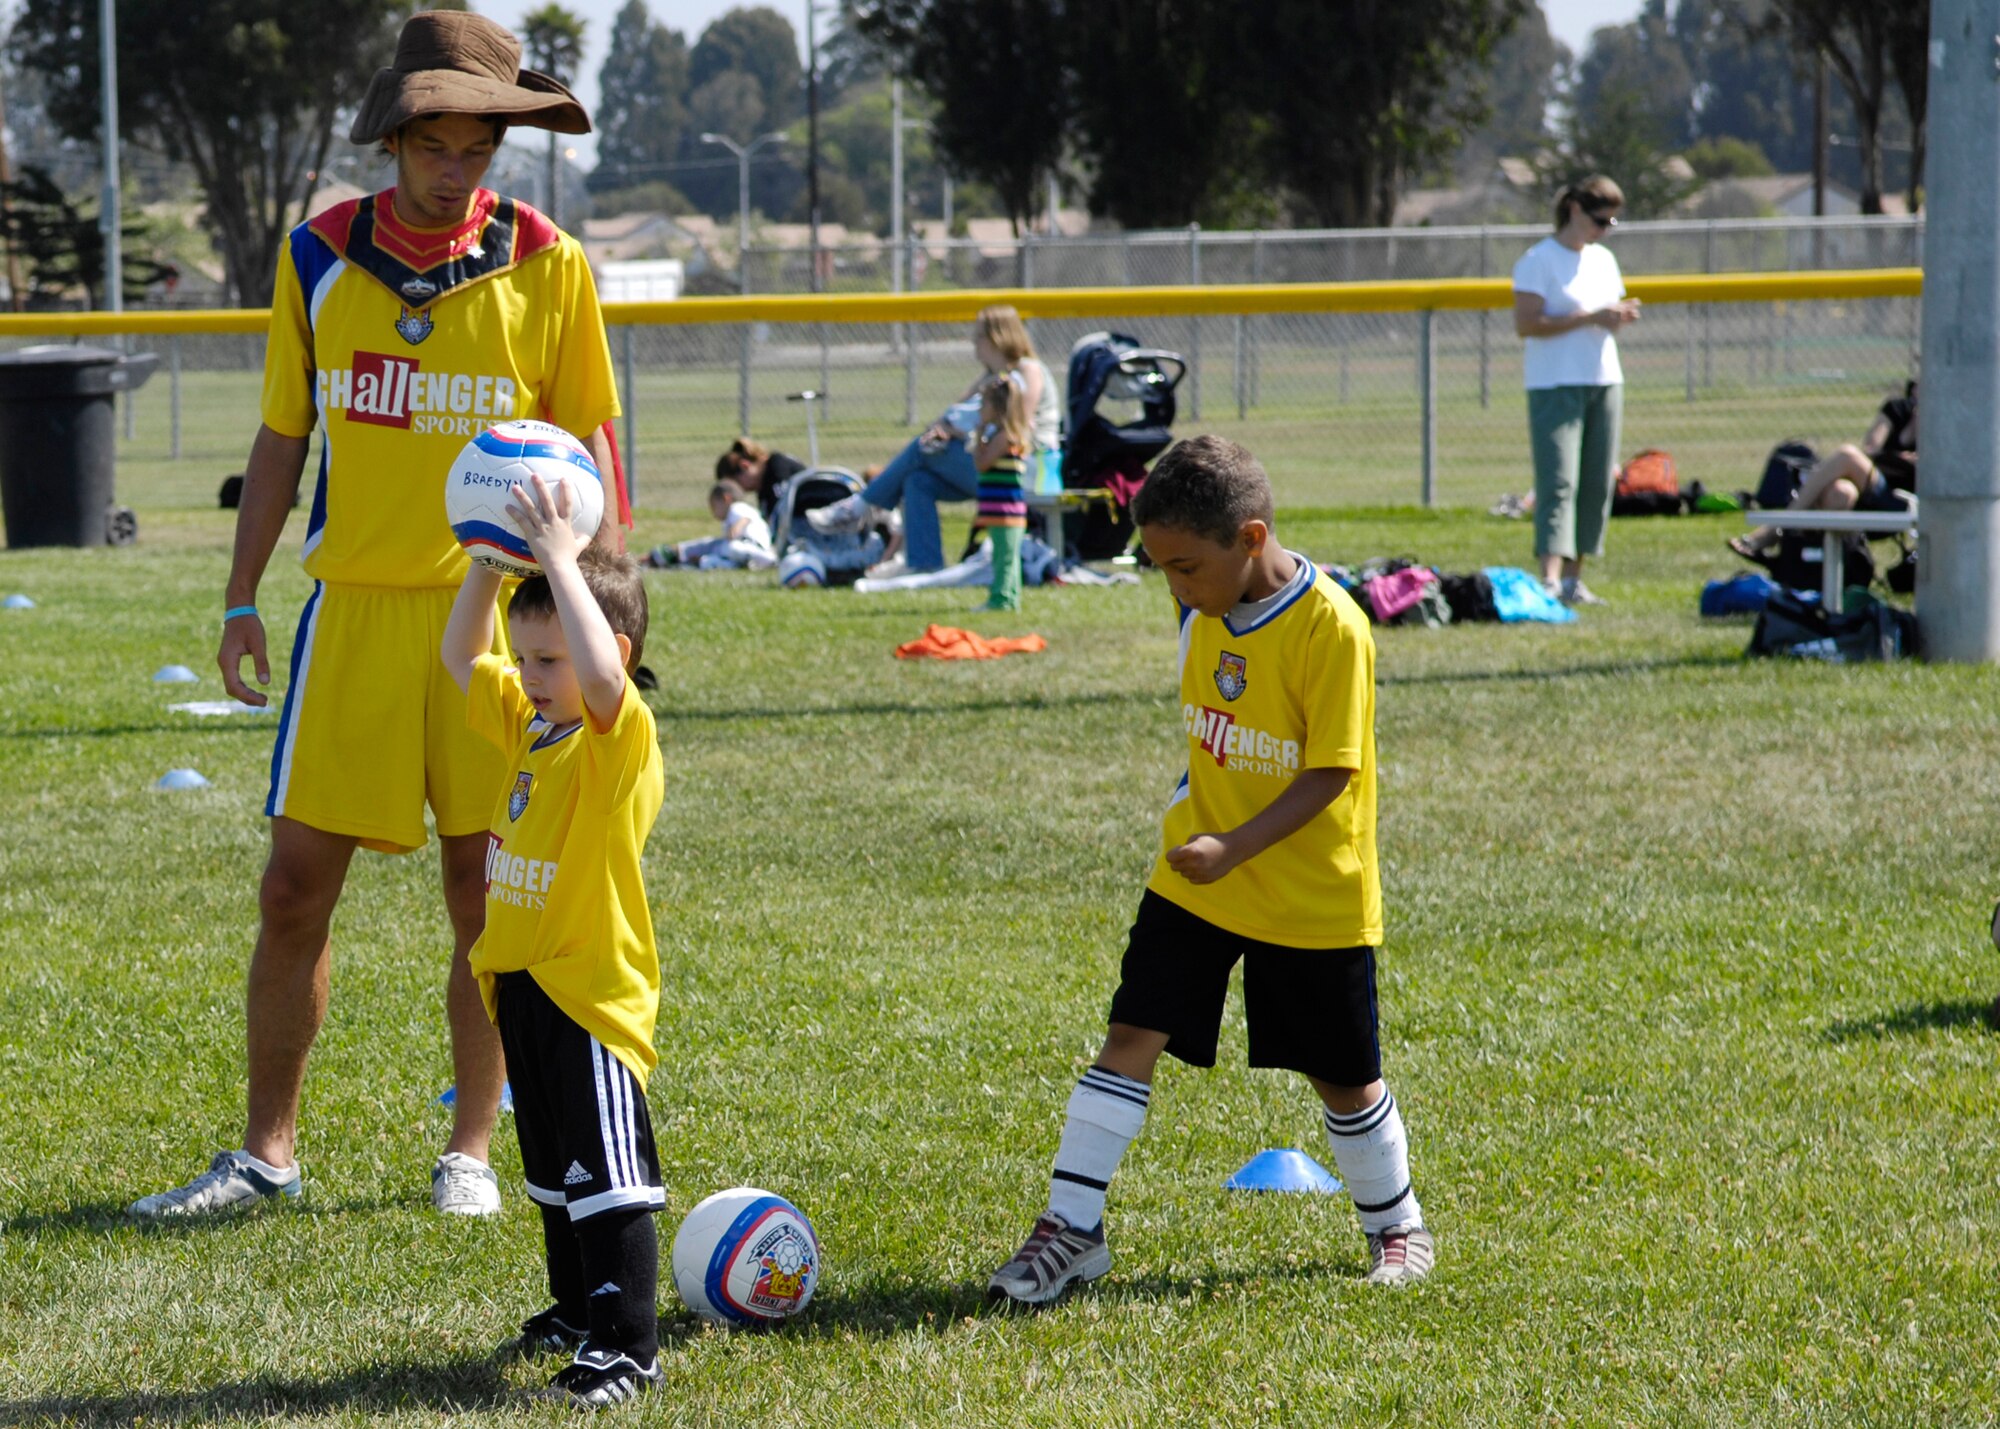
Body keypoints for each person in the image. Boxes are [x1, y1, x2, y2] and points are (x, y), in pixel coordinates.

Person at [130, 11, 623, 1220]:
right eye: (436, 148)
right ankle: (265, 1155)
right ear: (396, 137)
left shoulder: (547, 262)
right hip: (348, 616)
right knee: (294, 886)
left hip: (493, 631)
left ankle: (468, 1150)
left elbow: (592, 450)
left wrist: (603, 618)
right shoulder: (316, 255)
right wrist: (241, 597)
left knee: (484, 891)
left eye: (478, 152)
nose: (456, 172)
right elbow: (282, 435)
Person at [986, 434, 1434, 1306]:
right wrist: (1210, 842)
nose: (1175, 589)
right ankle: (1071, 1229)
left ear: (1252, 538)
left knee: (1342, 1076)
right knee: (1131, 1035)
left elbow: (1331, 771)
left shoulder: (1331, 626)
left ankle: (1397, 1223)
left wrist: (1234, 844)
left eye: (1186, 567)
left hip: (1311, 891)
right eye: (1160, 568)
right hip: (1195, 879)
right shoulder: (1199, 605)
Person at [442, 475, 666, 1408]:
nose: (527, 672)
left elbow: (606, 678)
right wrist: (490, 567)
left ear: (601, 651)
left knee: (608, 1177)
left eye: (546, 657)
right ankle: (577, 1310)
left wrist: (569, 563)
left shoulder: (617, 741)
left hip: (588, 993)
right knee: (554, 1173)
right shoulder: (536, 727)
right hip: (523, 984)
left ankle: (629, 1345)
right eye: (526, 658)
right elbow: (462, 659)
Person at [808, 304, 1059, 573]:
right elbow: (946, 418)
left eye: (979, 337)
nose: (974, 344)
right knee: (918, 479)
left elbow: (1016, 426)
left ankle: (859, 507)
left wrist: (959, 432)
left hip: (1024, 470)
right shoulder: (987, 379)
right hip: (987, 465)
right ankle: (924, 563)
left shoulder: (1028, 370)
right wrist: (942, 431)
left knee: (923, 450)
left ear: (998, 337)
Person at [1512, 175, 1640, 607]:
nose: (1605, 229)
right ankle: (1548, 578)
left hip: (1603, 378)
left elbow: (1606, 316)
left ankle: (1574, 578)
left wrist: (1616, 318)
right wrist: (1588, 318)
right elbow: (1526, 324)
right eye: (1600, 219)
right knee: (1558, 480)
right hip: (1554, 383)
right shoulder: (1538, 260)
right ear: (1575, 211)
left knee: (1597, 481)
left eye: (1613, 223)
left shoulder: (1603, 259)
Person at [1729, 382, 1918, 562]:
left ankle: (1778, 529)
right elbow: (1871, 448)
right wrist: (1909, 432)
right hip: (1874, 482)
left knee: (1847, 455)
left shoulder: (1941, 421)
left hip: (1903, 499)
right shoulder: (1898, 409)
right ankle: (1811, 572)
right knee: (1840, 493)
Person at [972, 374, 1033, 612]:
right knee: (1006, 556)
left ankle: (1002, 600)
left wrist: (978, 435)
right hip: (1002, 511)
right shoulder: (1001, 435)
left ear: (998, 408)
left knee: (1004, 559)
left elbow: (982, 464)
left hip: (1005, 511)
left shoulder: (1003, 437)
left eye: (984, 404)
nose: (980, 409)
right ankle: (1010, 597)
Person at [646, 477, 776, 570]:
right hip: (738, 550)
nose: (713, 512)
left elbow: (746, 518)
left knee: (730, 547)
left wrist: (737, 527)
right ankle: (697, 562)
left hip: (750, 546)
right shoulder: (730, 517)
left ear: (726, 498)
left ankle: (767, 560)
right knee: (717, 557)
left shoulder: (737, 507)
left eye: (713, 506)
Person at [716, 437, 807, 523]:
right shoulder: (763, 486)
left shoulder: (777, 467)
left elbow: (784, 514)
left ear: (744, 466)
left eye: (736, 484)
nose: (738, 490)